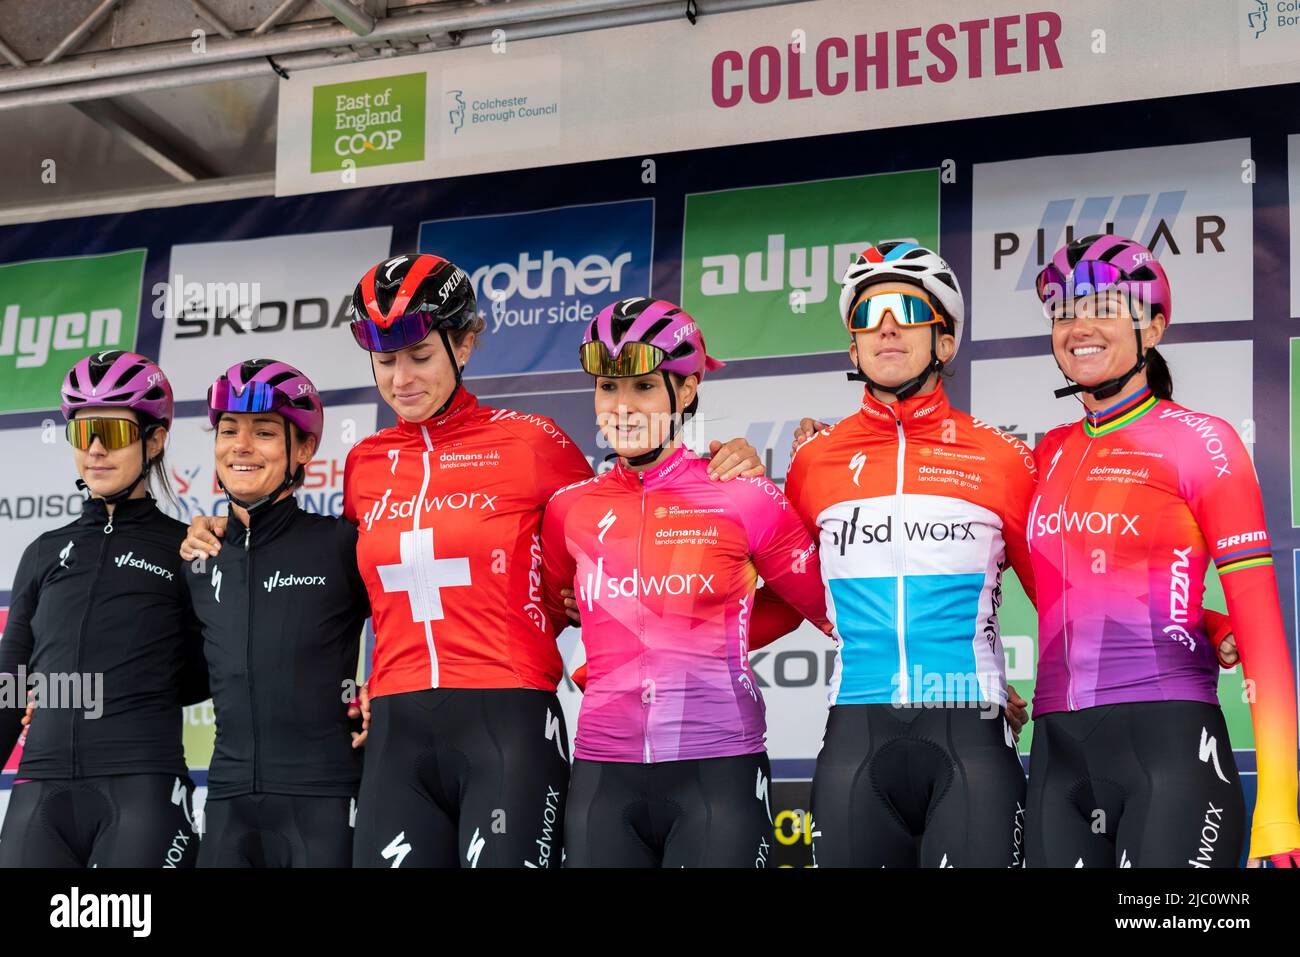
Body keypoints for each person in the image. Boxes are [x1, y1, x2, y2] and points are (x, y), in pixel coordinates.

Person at [331, 253, 763, 868]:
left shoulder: (534, 442)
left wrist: (727, 463)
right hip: (397, 729)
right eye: (384, 361)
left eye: (420, 356)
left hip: (506, 721)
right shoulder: (364, 463)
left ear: (466, 343)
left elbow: (627, 525)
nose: (401, 378)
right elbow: (337, 589)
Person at [1024, 233, 1300, 868]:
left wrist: (1280, 814)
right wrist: (1200, 619)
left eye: (1102, 306)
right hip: (1056, 751)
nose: (1078, 326)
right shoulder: (1048, 453)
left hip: (1169, 747)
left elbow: (1261, 635)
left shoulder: (1201, 441)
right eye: (1063, 311)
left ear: (1152, 324)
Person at [541, 297, 831, 868]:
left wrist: (971, 681)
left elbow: (828, 609)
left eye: (643, 387)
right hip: (602, 772)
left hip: (717, 770)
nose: (620, 406)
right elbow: (547, 614)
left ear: (689, 388)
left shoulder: (743, 493)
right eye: (607, 387)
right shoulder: (568, 509)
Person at [783, 241, 1038, 867]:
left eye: (904, 308)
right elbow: (787, 594)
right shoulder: (813, 461)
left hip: (968, 731)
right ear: (853, 347)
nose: (886, 326)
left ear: (944, 343)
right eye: (867, 316)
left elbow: (1066, 600)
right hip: (855, 734)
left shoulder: (1001, 458)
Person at [0, 351, 206, 867]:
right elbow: (10, 679)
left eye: (112, 433)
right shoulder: (44, 551)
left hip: (143, 787)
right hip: (38, 792)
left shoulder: (184, 547)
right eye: (83, 431)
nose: (94, 449)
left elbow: (212, 673)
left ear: (153, 440)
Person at [182, 359, 370, 868]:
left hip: (324, 798)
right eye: (228, 430)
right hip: (225, 802)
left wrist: (385, 691)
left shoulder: (339, 544)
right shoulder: (198, 556)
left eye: (264, 432)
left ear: (304, 449)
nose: (240, 446)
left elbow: (416, 627)